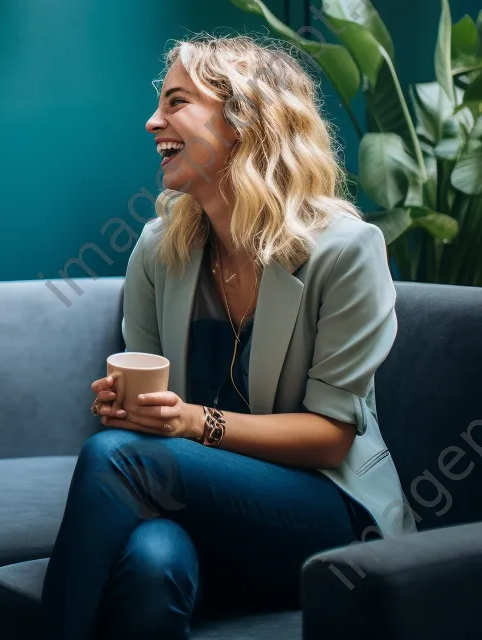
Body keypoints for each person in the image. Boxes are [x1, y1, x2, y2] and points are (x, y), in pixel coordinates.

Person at [41, 34, 415, 638]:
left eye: (176, 102)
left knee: (118, 457)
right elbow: (149, 418)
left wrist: (189, 423)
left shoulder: (345, 250)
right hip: (207, 510)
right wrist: (130, 410)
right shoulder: (159, 249)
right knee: (150, 562)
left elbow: (329, 439)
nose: (151, 121)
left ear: (244, 121)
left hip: (326, 514)